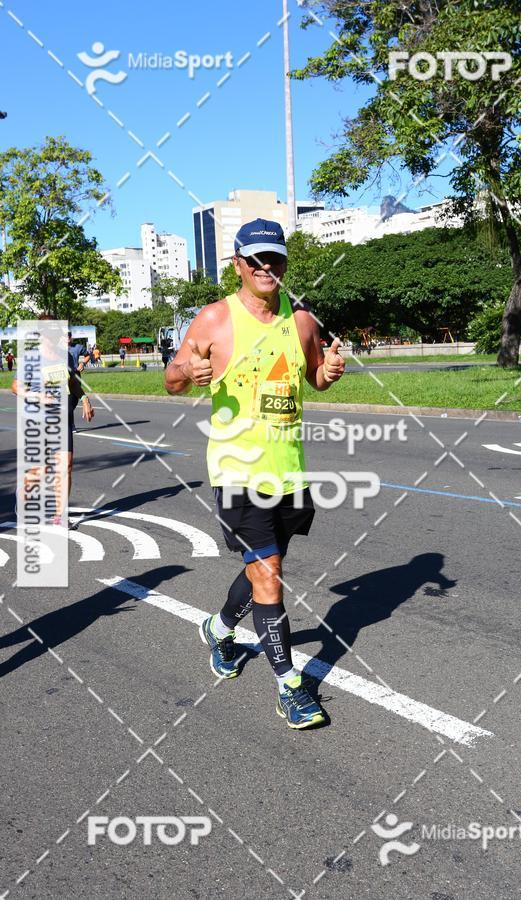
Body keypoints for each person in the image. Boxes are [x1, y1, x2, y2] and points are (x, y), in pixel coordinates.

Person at [165, 218, 345, 729]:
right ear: (238, 264)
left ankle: (219, 628)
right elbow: (172, 379)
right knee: (270, 577)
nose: (267, 268)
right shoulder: (215, 320)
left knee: (262, 569)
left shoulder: (303, 321)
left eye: (276, 259)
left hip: (289, 471)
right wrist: (188, 373)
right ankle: (290, 688)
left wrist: (326, 374)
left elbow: (312, 375)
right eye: (256, 260)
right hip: (237, 471)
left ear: (286, 263)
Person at [11, 323, 94, 525]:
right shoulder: (31, 357)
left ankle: (60, 516)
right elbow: (15, 387)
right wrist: (35, 395)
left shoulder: (65, 355)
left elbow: (72, 382)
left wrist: (84, 399)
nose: (54, 338)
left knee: (66, 466)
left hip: (62, 417)